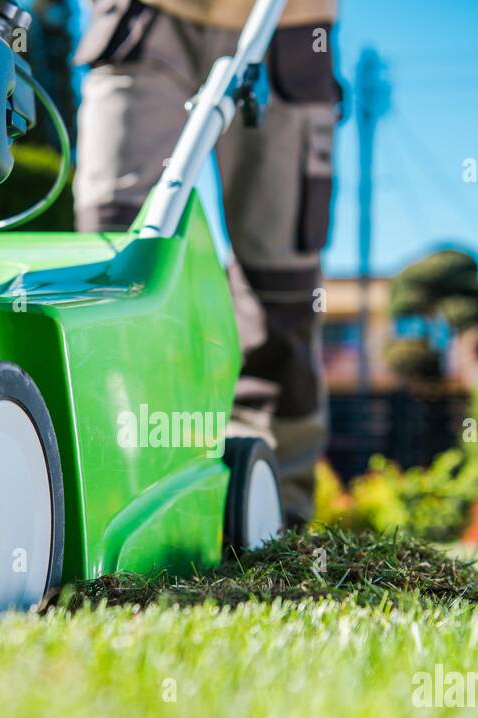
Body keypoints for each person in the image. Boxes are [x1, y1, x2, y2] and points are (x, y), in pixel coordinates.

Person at [73, 0, 339, 524]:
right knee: (113, 262)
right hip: (143, 19)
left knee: (282, 291)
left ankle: (273, 513)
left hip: (290, 25)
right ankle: (104, 488)